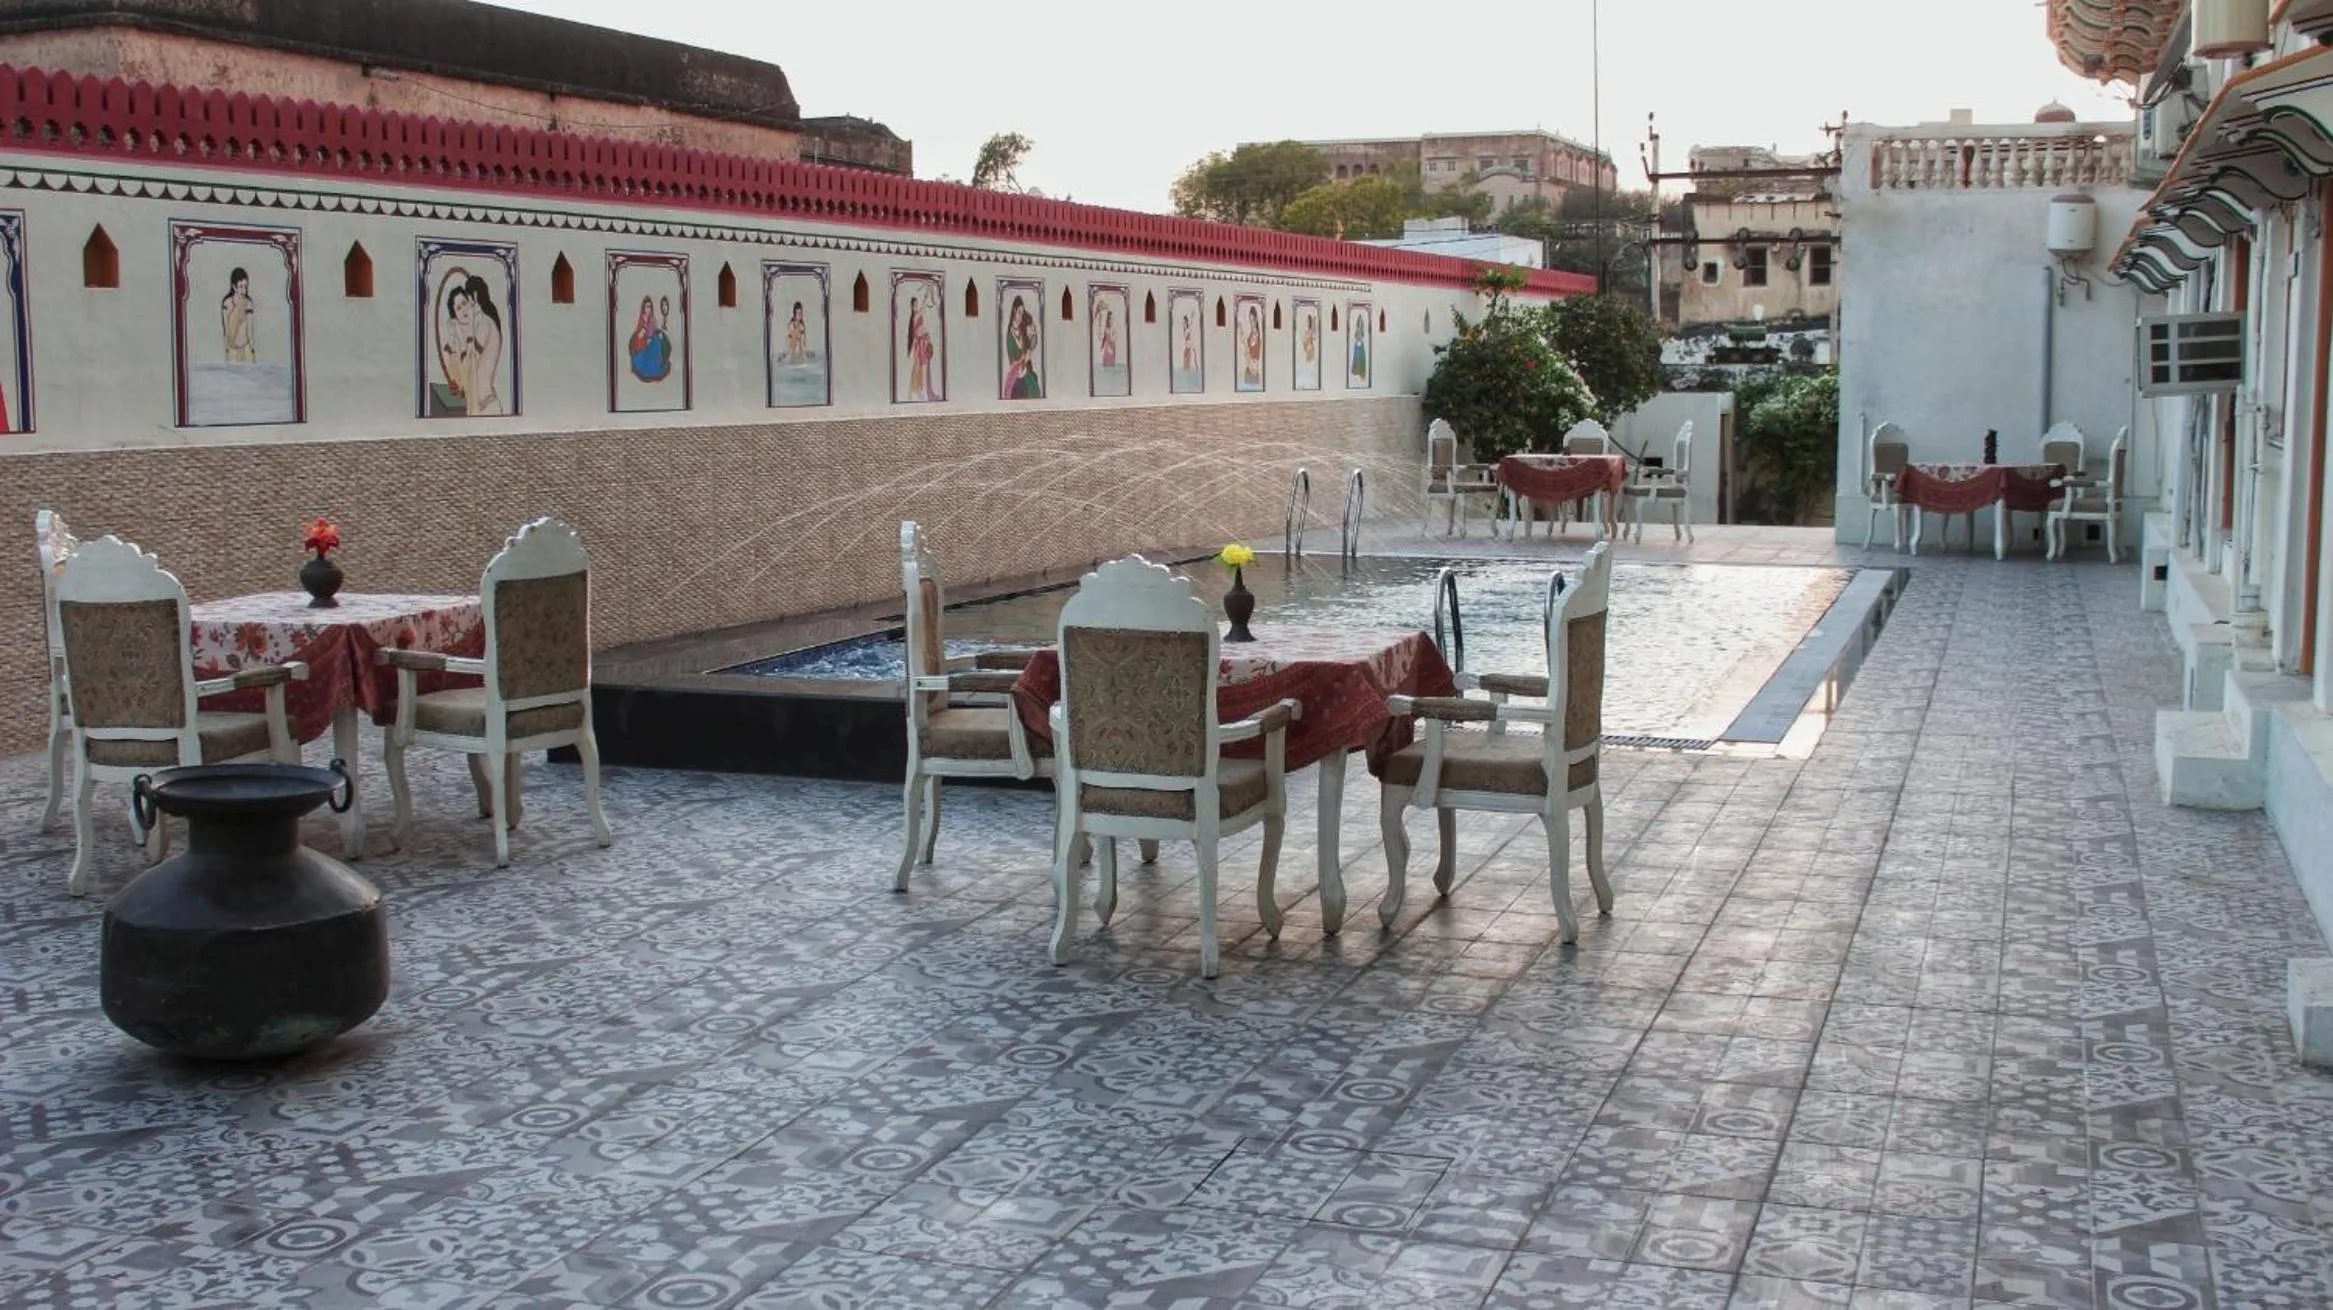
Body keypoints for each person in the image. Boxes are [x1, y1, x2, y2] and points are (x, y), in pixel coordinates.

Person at [438, 272, 505, 415]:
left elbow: (470, 365)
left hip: (487, 407)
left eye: (465, 303)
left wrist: (457, 336)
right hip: (474, 410)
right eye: (458, 308)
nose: (464, 310)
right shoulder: (469, 334)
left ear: (473, 299)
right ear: (454, 315)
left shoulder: (484, 323)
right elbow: (458, 384)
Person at [1003, 295, 1043, 399]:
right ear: (1014, 311)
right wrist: (1024, 359)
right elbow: (1013, 363)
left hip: (1025, 372)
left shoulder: (1021, 330)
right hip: (1016, 375)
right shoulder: (1010, 336)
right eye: (1019, 312)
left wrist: (1033, 335)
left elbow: (1031, 344)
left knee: (1034, 385)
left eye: (1022, 312)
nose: (1021, 316)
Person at [627, 294, 672, 383]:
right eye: (647, 307)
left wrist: (655, 335)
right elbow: (639, 335)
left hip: (650, 342)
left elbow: (653, 330)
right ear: (644, 308)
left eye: (650, 307)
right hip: (643, 346)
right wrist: (643, 336)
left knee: (657, 340)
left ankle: (657, 364)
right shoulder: (642, 319)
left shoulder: (652, 319)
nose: (649, 309)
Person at [221, 267, 257, 363]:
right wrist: (227, 352)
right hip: (232, 351)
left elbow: (250, 332)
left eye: (245, 286)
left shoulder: (248, 303)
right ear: (234, 286)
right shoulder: (227, 303)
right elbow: (226, 331)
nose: (244, 290)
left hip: (246, 350)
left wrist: (253, 352)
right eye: (241, 286)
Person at [906, 292, 934, 399]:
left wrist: (927, 294)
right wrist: (923, 335)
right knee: (916, 368)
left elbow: (923, 305)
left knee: (921, 369)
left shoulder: (918, 314)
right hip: (918, 346)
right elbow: (916, 333)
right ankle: (912, 390)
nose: (916, 307)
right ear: (912, 307)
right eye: (915, 305)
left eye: (917, 305)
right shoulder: (914, 318)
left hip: (922, 344)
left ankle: (918, 390)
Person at [785, 301, 809, 366]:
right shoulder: (791, 326)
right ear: (794, 314)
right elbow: (789, 342)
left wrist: (805, 355)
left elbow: (803, 342)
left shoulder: (802, 326)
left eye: (801, 313)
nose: (800, 315)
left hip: (800, 354)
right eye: (798, 313)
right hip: (793, 354)